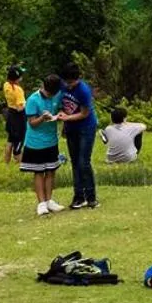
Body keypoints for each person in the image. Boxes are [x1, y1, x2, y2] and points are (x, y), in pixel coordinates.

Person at [20, 73, 65, 217]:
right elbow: (32, 123)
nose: (50, 96)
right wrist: (42, 118)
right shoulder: (33, 99)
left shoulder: (58, 95)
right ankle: (41, 203)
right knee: (39, 171)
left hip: (51, 140)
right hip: (35, 142)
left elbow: (60, 109)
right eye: (48, 93)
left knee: (51, 170)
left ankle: (49, 200)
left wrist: (58, 115)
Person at [57, 62, 99, 209]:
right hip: (71, 129)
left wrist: (67, 118)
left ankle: (91, 196)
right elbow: (63, 106)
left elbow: (84, 113)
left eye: (71, 82)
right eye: (66, 82)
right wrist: (64, 124)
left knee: (83, 162)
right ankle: (78, 197)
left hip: (86, 128)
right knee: (75, 162)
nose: (68, 85)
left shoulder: (84, 91)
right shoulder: (62, 86)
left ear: (77, 79)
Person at [1, 66, 26, 166]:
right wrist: (26, 103)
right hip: (18, 119)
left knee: (10, 141)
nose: (22, 77)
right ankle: (23, 166)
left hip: (10, 116)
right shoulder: (18, 90)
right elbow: (20, 108)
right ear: (17, 78)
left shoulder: (6, 85)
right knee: (18, 146)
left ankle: (6, 164)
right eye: (21, 75)